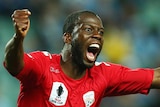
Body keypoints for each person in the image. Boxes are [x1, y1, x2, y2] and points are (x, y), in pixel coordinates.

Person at [3, 9, 160, 107]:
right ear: (68, 37)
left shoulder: (103, 74)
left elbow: (155, 77)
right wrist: (18, 38)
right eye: (89, 29)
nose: (97, 36)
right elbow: (13, 64)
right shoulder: (43, 65)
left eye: (101, 32)